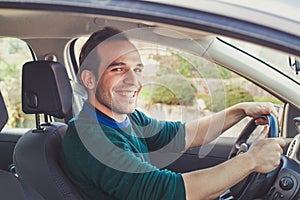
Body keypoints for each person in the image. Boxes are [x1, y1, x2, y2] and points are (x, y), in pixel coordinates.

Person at [61, 27, 286, 200]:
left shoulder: (125, 118)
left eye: (137, 69)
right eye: (118, 69)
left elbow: (186, 134)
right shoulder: (89, 139)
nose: (134, 81)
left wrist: (239, 110)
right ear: (89, 79)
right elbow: (172, 191)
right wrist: (251, 160)